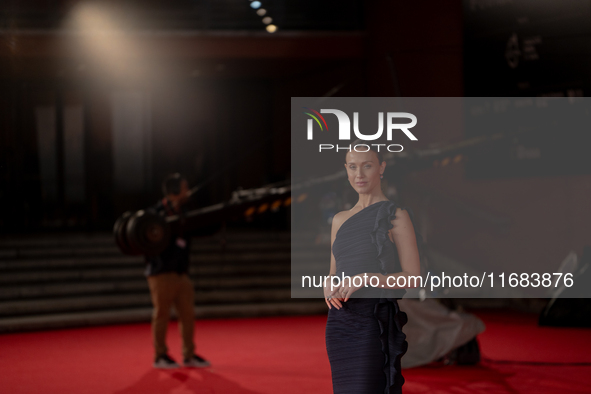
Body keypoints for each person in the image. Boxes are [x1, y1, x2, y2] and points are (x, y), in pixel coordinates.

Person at [324, 141, 422, 393]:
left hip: (372, 324)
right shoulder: (338, 219)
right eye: (353, 167)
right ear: (345, 169)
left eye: (367, 166)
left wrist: (367, 278)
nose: (359, 174)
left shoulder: (396, 215)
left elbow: (412, 278)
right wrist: (328, 283)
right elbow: (334, 272)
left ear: (381, 168)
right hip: (339, 322)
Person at [144, 173, 210, 369]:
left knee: (188, 314)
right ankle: (160, 355)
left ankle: (189, 354)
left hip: (181, 272)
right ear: (174, 192)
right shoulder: (155, 214)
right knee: (162, 314)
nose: (188, 191)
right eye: (184, 188)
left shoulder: (184, 213)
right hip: (161, 272)